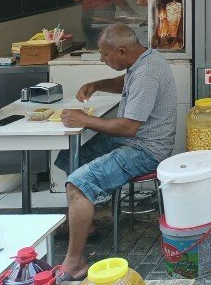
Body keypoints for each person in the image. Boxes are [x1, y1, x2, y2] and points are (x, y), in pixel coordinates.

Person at [54, 24, 176, 280]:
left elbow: (128, 127)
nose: (102, 59)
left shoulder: (147, 73)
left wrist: (83, 120)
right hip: (128, 141)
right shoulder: (143, 59)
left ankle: (74, 262)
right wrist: (97, 84)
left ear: (121, 51)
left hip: (144, 150)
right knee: (70, 156)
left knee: (78, 183)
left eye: (105, 54)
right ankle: (86, 223)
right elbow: (124, 82)